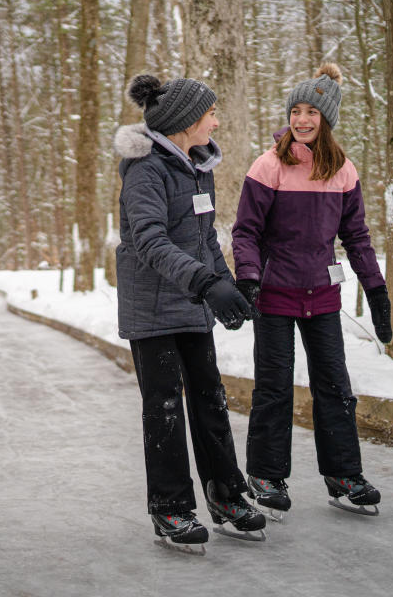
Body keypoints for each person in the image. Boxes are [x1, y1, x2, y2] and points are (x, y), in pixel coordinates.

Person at [231, 63, 393, 519]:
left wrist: (376, 292)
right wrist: (248, 277)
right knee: (275, 387)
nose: (302, 120)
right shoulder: (269, 165)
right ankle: (265, 474)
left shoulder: (343, 169)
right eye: (296, 110)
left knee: (335, 386)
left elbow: (356, 237)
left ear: (327, 119)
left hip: (322, 294)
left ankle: (344, 475)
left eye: (312, 113)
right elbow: (244, 232)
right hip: (276, 293)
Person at [114, 74, 265, 552]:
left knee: (210, 400)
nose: (217, 121)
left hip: (191, 302)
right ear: (184, 123)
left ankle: (227, 495)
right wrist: (205, 284)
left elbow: (204, 242)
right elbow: (150, 241)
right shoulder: (146, 172)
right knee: (164, 410)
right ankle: (171, 508)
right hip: (152, 309)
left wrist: (228, 285)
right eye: (210, 114)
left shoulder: (199, 168)